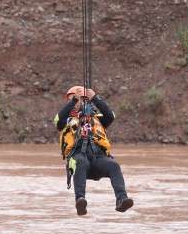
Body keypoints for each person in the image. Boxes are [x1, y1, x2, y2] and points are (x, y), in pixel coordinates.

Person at [56, 85, 134, 216]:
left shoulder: (97, 118)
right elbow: (58, 119)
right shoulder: (65, 120)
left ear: (85, 100)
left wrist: (95, 99)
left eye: (77, 99)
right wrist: (75, 100)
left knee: (114, 166)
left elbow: (111, 115)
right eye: (71, 100)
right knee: (80, 162)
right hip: (77, 155)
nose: (73, 102)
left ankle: (121, 199)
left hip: (98, 157)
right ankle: (80, 200)